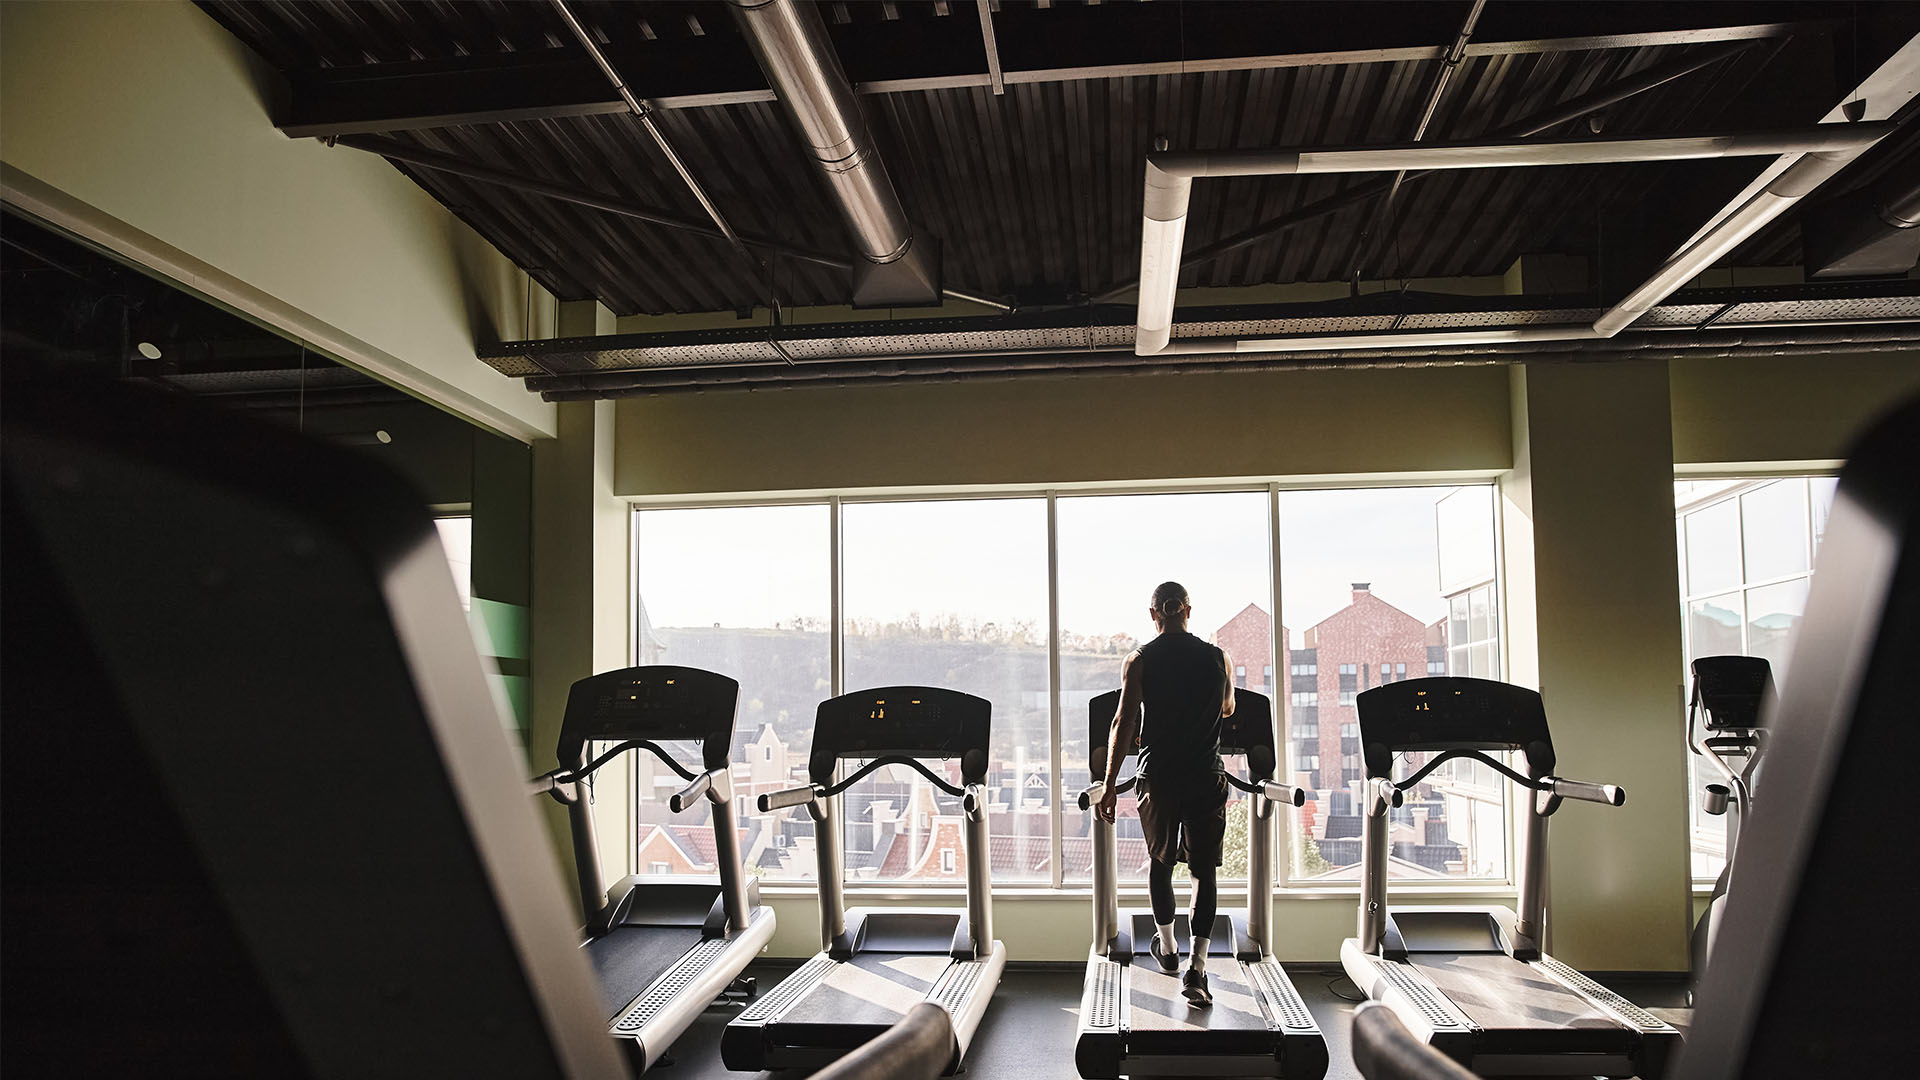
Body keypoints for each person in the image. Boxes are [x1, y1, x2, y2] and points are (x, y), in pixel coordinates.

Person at [1097, 581, 1235, 1007]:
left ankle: (1168, 950)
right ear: (1188, 611)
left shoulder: (1139, 659)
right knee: (1201, 872)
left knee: (1160, 864)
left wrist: (1107, 785)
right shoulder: (1218, 657)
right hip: (1205, 775)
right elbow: (1228, 707)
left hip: (1158, 778)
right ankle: (1197, 968)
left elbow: (1124, 723)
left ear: (1153, 613)